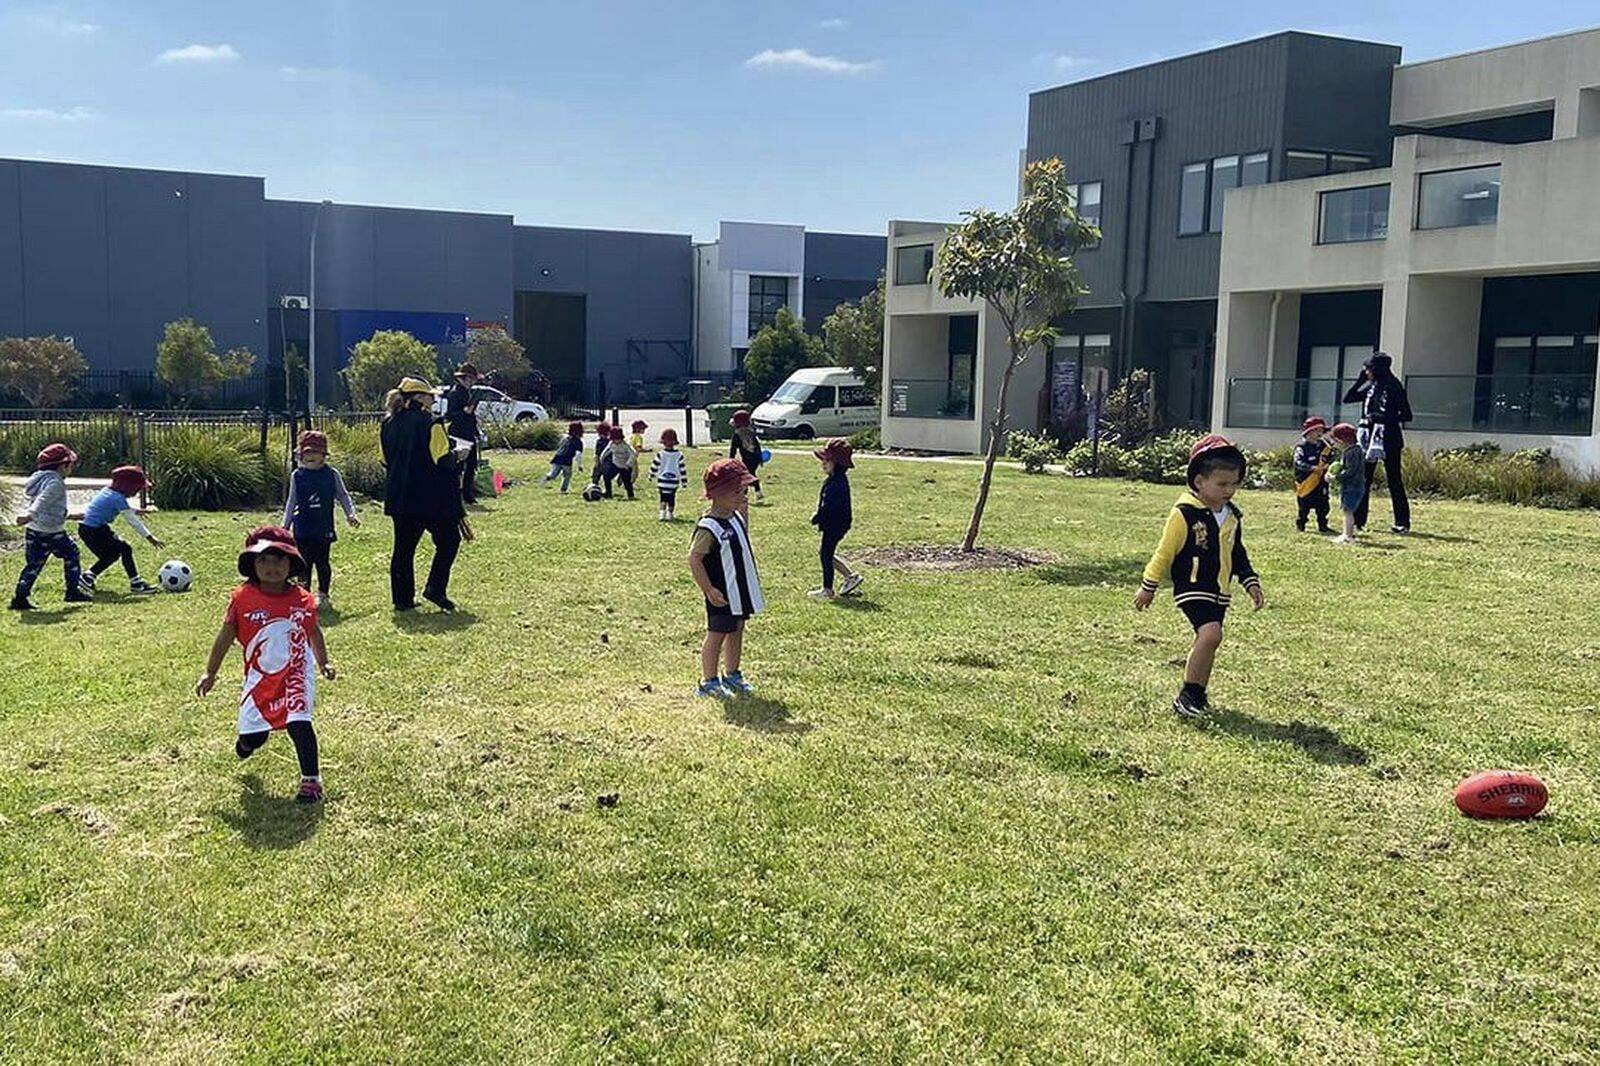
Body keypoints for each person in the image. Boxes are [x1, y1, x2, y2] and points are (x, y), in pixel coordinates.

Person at [195, 526, 334, 805]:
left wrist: (324, 662)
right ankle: (247, 743)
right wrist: (210, 672)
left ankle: (311, 781)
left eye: (280, 559)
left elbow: (313, 632)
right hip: (260, 676)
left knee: (300, 723)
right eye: (263, 560)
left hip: (296, 670)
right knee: (254, 736)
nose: (272, 566)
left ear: (292, 563)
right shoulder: (242, 599)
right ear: (251, 564)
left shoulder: (302, 599)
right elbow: (225, 636)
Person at [1133, 434, 1264, 719]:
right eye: (1222, 484)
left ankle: (1198, 694)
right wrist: (1149, 586)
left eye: (1235, 484)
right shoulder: (1184, 514)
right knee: (1210, 633)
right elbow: (1164, 552)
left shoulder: (1231, 515)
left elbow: (1237, 552)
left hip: (1219, 590)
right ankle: (1186, 695)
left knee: (1210, 641)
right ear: (1198, 481)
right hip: (1192, 586)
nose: (1229, 490)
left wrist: (1249, 580)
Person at [381, 376, 465, 612]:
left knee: (403, 550)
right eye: (431, 396)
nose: (434, 399)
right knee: (449, 541)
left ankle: (402, 600)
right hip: (431, 498)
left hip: (400, 497)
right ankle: (435, 588)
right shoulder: (432, 423)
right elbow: (443, 459)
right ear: (419, 398)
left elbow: (384, 460)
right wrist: (460, 455)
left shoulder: (388, 424)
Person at [688, 458, 764, 699]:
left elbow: (742, 537)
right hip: (721, 593)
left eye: (746, 490)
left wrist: (744, 510)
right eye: (738, 491)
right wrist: (708, 589)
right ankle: (708, 680)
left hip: (740, 592)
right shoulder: (709, 527)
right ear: (717, 494)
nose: (744, 495)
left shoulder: (734, 517)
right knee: (717, 634)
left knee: (737, 629)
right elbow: (694, 559)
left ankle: (732, 673)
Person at [282, 430, 360, 611]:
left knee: (322, 561)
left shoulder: (331, 474)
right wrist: (285, 525)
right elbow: (291, 501)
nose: (311, 457)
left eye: (315, 453)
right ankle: (304, 594)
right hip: (302, 527)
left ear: (323, 455)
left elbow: (343, 495)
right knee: (303, 563)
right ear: (300, 455)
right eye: (307, 453)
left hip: (323, 526)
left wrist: (351, 514)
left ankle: (323, 594)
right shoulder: (297, 476)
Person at [10, 443, 91, 611]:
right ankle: (72, 591)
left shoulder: (40, 478)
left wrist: (70, 515)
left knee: (33, 564)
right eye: (71, 464)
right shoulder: (55, 483)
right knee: (72, 553)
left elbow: (50, 508)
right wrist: (29, 514)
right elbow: (43, 501)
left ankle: (20, 597)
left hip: (34, 530)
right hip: (51, 532)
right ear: (63, 465)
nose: (72, 468)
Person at [1342, 352, 1414, 533]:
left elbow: (1406, 415)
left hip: (1389, 440)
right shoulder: (1371, 387)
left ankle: (1402, 522)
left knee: (1394, 480)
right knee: (1363, 479)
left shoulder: (1394, 386)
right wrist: (1359, 381)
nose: (1366, 372)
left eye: (1369, 369)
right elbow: (1348, 398)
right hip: (1368, 440)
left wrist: (1383, 417)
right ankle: (1358, 519)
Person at [78, 464, 163, 596]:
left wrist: (136, 511)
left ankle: (88, 576)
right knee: (123, 549)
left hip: (89, 528)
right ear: (128, 486)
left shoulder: (109, 492)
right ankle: (136, 584)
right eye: (137, 488)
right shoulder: (117, 498)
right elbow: (132, 521)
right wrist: (150, 537)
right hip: (94, 530)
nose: (137, 492)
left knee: (111, 555)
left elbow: (121, 509)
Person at [808, 438, 863, 599]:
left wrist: (817, 517)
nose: (823, 463)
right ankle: (850, 577)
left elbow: (830, 506)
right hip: (838, 523)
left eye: (827, 460)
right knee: (826, 553)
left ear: (838, 463)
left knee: (825, 553)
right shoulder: (835, 480)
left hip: (836, 524)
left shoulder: (837, 483)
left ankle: (827, 589)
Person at [444, 362, 482, 505]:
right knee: (458, 466)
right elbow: (450, 415)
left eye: (473, 380)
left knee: (471, 465)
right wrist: (464, 412)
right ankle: (455, 494)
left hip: (468, 433)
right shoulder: (454, 394)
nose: (471, 382)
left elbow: (471, 416)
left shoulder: (467, 393)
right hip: (458, 434)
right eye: (469, 379)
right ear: (462, 379)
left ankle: (468, 494)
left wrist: (476, 431)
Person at [1292, 417, 1335, 534]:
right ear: (1309, 432)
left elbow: (1333, 458)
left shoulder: (1325, 447)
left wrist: (1330, 466)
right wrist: (1312, 468)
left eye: (1322, 431)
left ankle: (1323, 525)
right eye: (1318, 430)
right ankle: (1301, 525)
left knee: (1323, 505)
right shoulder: (1301, 448)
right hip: (1306, 482)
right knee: (1304, 506)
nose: (1321, 434)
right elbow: (1298, 463)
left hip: (1321, 482)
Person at [1329, 422, 1366, 544]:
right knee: (1347, 510)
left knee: (1347, 511)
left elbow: (1350, 471)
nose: (1334, 444)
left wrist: (1336, 477)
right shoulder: (1357, 450)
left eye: (1335, 441)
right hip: (1355, 485)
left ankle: (1347, 535)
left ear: (1342, 440)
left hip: (1352, 486)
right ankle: (1346, 533)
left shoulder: (1350, 453)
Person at [649, 427, 688, 521]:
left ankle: (662, 514)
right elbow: (682, 469)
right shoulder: (679, 455)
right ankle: (670, 514)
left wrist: (651, 475)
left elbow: (655, 466)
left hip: (662, 480)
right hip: (673, 481)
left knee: (663, 497)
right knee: (671, 498)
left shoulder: (660, 454)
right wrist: (684, 481)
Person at [728, 410, 765, 503]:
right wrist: (760, 458)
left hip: (748, 459)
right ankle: (747, 494)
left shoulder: (737, 435)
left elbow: (733, 449)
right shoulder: (751, 432)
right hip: (755, 458)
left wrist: (730, 460)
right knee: (747, 475)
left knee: (746, 476)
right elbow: (757, 446)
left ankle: (754, 493)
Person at [542, 421, 586, 492]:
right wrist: (579, 465)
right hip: (567, 461)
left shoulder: (565, 439)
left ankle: (543, 480)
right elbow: (578, 455)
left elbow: (560, 447)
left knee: (553, 474)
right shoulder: (578, 442)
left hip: (557, 458)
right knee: (567, 476)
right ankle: (563, 489)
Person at [600, 426, 638, 500]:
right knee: (606, 477)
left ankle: (631, 495)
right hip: (615, 464)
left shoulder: (625, 445)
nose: (615, 441)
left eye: (617, 439)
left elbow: (633, 454)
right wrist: (602, 458)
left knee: (627, 482)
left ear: (621, 438)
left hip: (625, 466)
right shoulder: (611, 443)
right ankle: (608, 493)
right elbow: (607, 450)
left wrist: (628, 464)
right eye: (613, 439)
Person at [589, 421, 614, 491]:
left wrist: (596, 462)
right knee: (606, 477)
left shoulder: (599, 441)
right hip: (609, 462)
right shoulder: (610, 441)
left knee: (595, 477)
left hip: (600, 461)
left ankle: (594, 488)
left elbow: (597, 453)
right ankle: (607, 490)